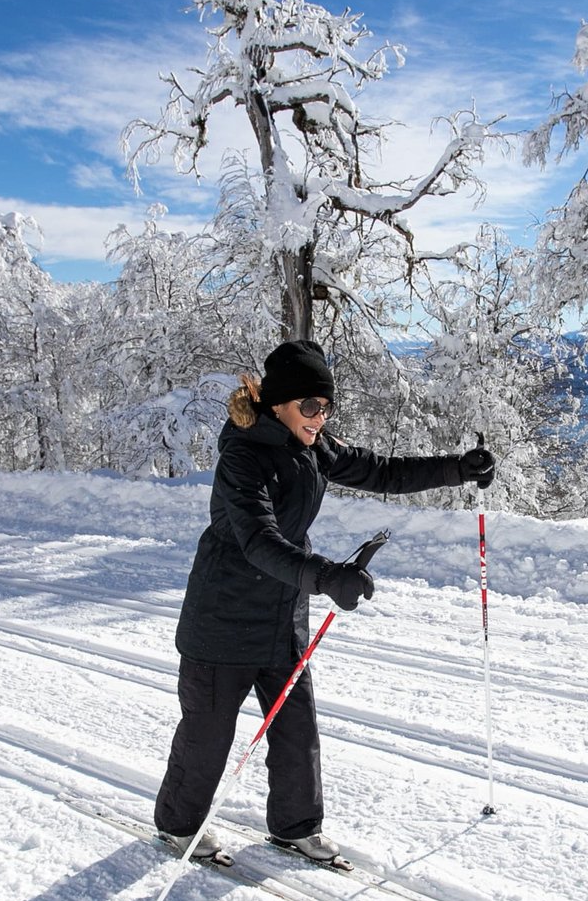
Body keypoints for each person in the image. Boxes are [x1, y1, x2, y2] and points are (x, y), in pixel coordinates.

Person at [154, 338, 495, 863]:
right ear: (278, 404)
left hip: (281, 614)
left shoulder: (313, 447)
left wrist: (458, 469)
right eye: (310, 405)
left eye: (327, 407)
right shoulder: (243, 457)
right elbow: (258, 541)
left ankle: (295, 827)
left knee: (297, 730)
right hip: (223, 616)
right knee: (208, 734)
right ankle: (179, 827)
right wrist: (325, 575)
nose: (320, 417)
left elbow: (381, 471)